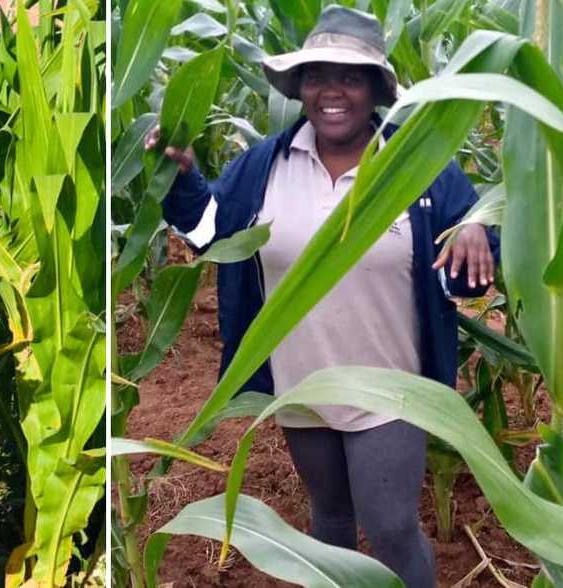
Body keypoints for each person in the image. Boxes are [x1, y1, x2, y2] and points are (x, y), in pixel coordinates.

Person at [147, 6, 498, 587]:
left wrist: (478, 228)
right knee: (330, 521)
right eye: (316, 77)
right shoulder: (267, 163)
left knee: (389, 528)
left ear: (374, 90)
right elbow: (211, 230)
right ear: (300, 88)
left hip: (391, 390)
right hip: (301, 386)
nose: (332, 92)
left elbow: (466, 266)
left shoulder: (416, 167)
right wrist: (180, 178)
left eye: (350, 77)